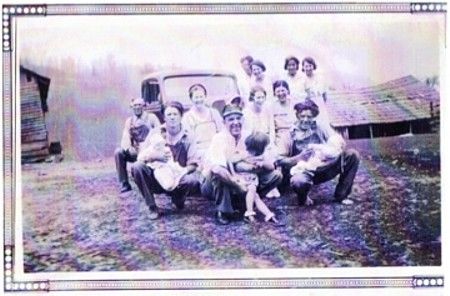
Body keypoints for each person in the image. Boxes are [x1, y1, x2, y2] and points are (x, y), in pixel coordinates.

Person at [201, 103, 283, 225]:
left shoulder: (249, 135)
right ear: (224, 122)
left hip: (244, 177)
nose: (235, 122)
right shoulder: (219, 138)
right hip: (214, 184)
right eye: (231, 119)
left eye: (238, 118)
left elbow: (269, 161)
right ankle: (223, 211)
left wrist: (259, 164)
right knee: (218, 173)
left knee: (275, 175)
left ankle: (245, 202)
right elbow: (218, 169)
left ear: (243, 119)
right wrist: (238, 183)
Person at [276, 100, 359, 206]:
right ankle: (303, 197)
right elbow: (279, 160)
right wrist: (298, 158)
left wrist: (338, 146)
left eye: (309, 117)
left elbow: (336, 141)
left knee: (352, 155)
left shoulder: (320, 127)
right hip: (303, 171)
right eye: (302, 116)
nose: (305, 120)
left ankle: (341, 195)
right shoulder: (289, 135)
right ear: (297, 115)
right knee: (299, 181)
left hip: (324, 168)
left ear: (314, 116)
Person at [131, 101, 202, 220]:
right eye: (169, 114)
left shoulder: (188, 135)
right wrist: (155, 156)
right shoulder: (155, 133)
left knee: (192, 180)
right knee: (137, 167)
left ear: (181, 116)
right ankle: (152, 206)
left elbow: (193, 164)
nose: (172, 117)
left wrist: (181, 172)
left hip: (178, 175)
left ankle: (178, 197)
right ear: (164, 117)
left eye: (175, 114)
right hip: (157, 175)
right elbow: (142, 156)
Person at [114, 97, 160, 193]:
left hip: (150, 150)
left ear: (144, 106)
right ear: (132, 107)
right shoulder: (129, 121)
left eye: (139, 105)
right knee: (118, 152)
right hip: (136, 151)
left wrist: (149, 147)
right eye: (135, 105)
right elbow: (125, 136)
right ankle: (124, 183)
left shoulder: (151, 118)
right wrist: (128, 148)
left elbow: (159, 132)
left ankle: (156, 184)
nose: (137, 107)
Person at [235, 132, 281, 224]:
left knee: (255, 195)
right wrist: (244, 160)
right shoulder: (245, 154)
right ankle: (252, 214)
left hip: (253, 180)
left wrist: (262, 163)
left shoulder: (262, 157)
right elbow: (232, 161)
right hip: (243, 178)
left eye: (254, 150)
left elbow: (271, 167)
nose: (251, 152)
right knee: (254, 193)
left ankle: (266, 215)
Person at [182, 84, 223, 163]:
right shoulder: (187, 117)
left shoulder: (214, 113)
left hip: (215, 147)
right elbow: (189, 140)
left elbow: (221, 132)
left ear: (205, 97)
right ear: (191, 98)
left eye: (201, 97)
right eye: (196, 97)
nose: (199, 100)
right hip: (198, 151)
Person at [301, 56, 330, 126]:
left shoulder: (321, 78)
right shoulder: (302, 80)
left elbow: (324, 95)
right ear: (303, 67)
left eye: (310, 66)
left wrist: (321, 105)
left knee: (323, 124)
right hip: (309, 106)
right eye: (306, 66)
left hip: (320, 105)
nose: (308, 68)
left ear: (313, 66)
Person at [270, 80, 299, 147]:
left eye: (283, 90)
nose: (281, 93)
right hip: (281, 137)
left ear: (287, 91)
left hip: (296, 134)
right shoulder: (272, 107)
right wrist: (272, 143)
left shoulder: (295, 103)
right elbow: (272, 128)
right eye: (278, 91)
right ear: (274, 93)